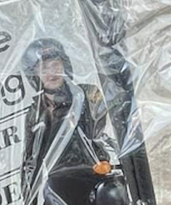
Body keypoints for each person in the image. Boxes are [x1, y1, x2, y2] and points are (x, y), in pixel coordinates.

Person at [20, 38, 119, 205]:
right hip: (61, 183)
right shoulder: (36, 114)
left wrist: (111, 161)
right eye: (44, 68)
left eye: (56, 65)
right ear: (34, 74)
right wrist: (30, 201)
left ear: (64, 65)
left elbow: (102, 134)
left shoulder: (88, 94)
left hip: (98, 174)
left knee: (113, 194)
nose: (52, 72)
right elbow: (30, 162)